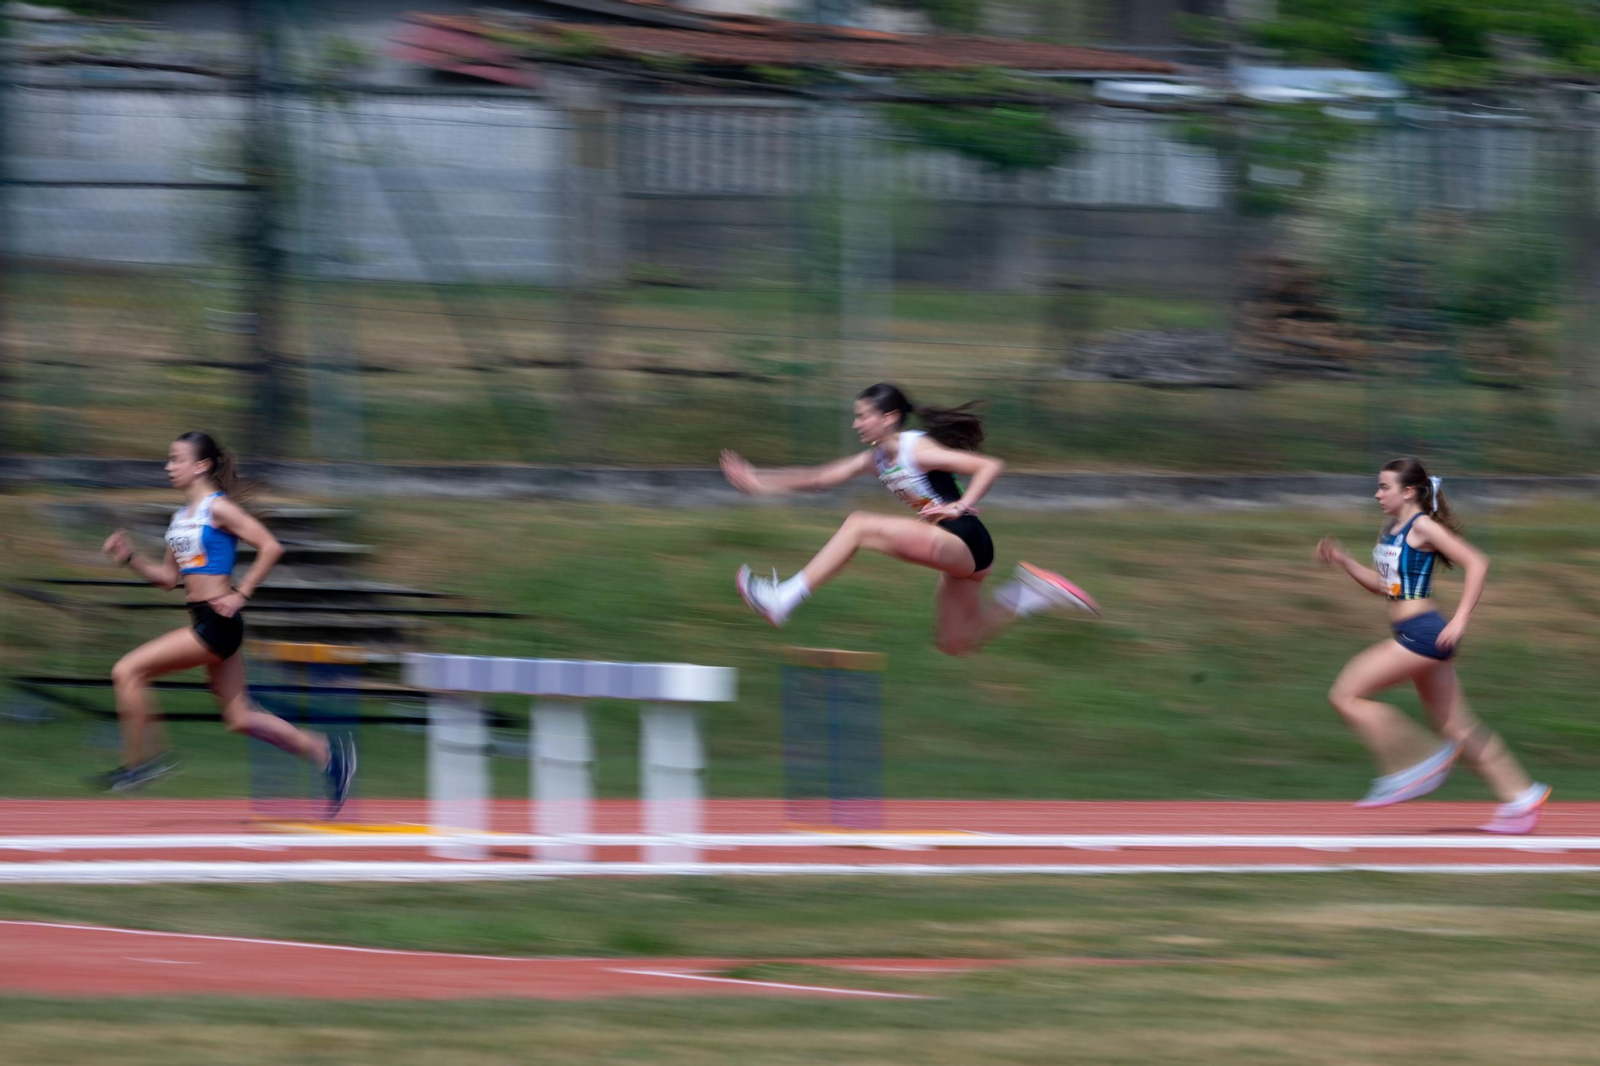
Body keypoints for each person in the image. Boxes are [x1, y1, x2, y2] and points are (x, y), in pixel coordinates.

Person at [722, 383, 1099, 655]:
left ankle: (783, 598)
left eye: (862, 416)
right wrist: (758, 481)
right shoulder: (876, 459)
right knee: (955, 643)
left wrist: (959, 505)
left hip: (964, 538)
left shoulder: (916, 449)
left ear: (889, 417)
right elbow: (819, 478)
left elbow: (989, 466)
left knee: (859, 525)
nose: (856, 424)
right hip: (959, 552)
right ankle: (1029, 593)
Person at [95, 431, 356, 815]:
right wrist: (130, 558)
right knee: (239, 717)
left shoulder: (218, 509)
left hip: (217, 623)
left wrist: (241, 593)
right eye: (169, 460)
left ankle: (139, 764)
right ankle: (328, 755)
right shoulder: (179, 519)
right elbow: (168, 580)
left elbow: (271, 546)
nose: (168, 467)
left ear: (201, 465)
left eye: (176, 459)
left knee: (128, 671)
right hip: (208, 620)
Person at [1316, 457, 1549, 833]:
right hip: (1417, 634)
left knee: (1346, 695)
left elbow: (1477, 562)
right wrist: (1344, 561)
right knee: (1455, 725)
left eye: (1384, 487)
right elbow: (1384, 586)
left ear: (1408, 492)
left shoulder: (1422, 526)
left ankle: (1415, 762)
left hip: (1422, 634)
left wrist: (1460, 620)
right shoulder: (1390, 529)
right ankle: (1522, 798)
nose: (1377, 494)